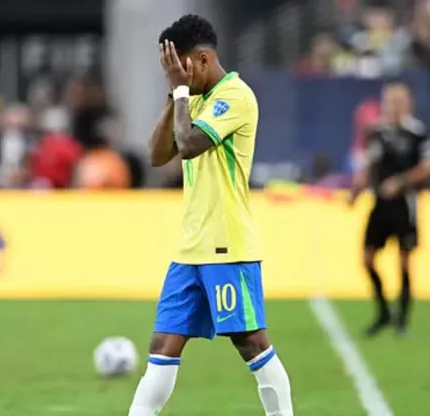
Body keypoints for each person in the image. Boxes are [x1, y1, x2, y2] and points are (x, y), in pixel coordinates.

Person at [128, 15, 294, 416]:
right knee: (162, 347)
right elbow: (157, 155)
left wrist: (181, 93)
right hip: (189, 248)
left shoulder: (235, 96)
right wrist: (175, 96)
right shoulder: (191, 97)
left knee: (251, 343)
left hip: (226, 245)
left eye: (179, 67)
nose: (175, 77)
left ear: (202, 60)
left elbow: (187, 145)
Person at [349, 81, 430, 338]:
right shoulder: (376, 131)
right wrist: (356, 190)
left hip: (405, 204)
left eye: (396, 101)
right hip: (380, 202)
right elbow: (369, 164)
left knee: (404, 261)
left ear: (407, 104)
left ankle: (402, 320)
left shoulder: (418, 133)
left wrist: (401, 182)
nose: (391, 106)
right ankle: (383, 313)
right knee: (367, 259)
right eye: (387, 101)